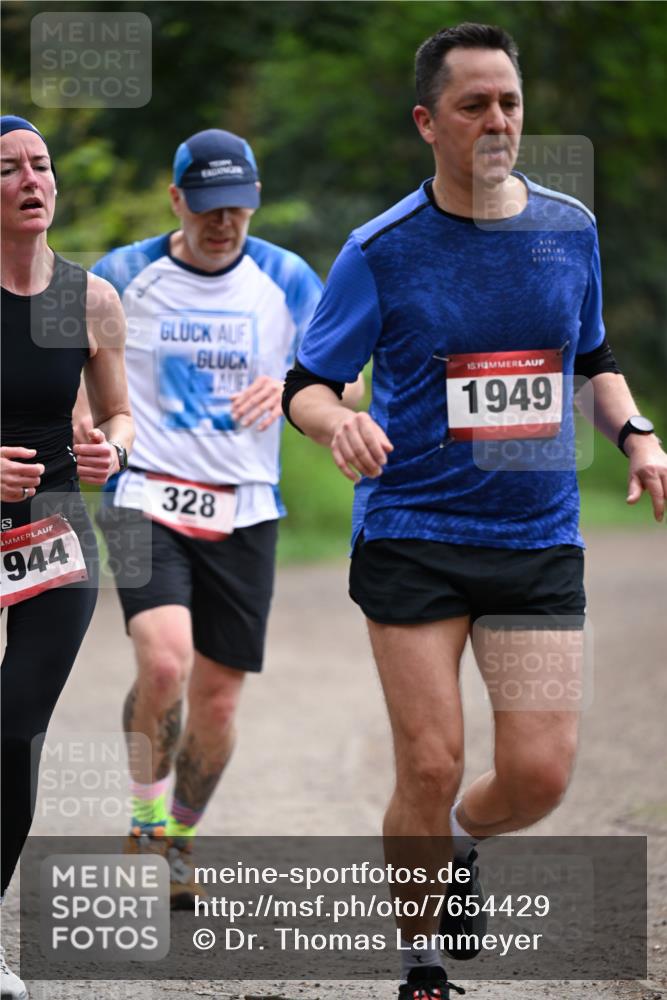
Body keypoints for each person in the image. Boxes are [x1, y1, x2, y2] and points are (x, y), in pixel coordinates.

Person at [283, 23, 667, 1000]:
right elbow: (308, 379)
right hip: (413, 533)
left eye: (508, 102)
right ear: (428, 122)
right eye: (473, 105)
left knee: (538, 775)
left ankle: (456, 844)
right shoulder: (381, 249)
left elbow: (592, 357)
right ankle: (420, 964)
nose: (496, 120)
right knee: (431, 757)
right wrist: (334, 427)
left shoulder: (568, 228)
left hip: (537, 540)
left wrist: (638, 436)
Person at [90, 128, 362, 910]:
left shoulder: (288, 279)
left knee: (215, 701)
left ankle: (180, 835)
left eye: (237, 206)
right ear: (176, 199)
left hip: (245, 509)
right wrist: (87, 435)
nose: (223, 223)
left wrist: (287, 386)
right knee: (166, 661)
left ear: (254, 202)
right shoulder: (122, 275)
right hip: (147, 494)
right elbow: (79, 369)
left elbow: (344, 389)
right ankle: (143, 817)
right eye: (207, 207)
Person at [0, 115, 133, 1000]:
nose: (31, 180)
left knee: (13, 731)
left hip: (52, 533)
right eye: (8, 169)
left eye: (40, 164)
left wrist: (110, 448)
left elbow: (120, 414)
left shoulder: (89, 299)